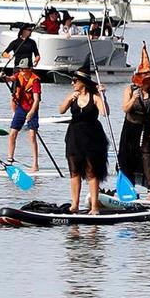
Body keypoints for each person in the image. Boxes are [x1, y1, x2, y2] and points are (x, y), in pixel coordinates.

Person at [60, 61, 109, 214]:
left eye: (75, 81)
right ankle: (74, 204)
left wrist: (103, 96)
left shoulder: (94, 97)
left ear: (83, 83)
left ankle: (94, 206)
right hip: (74, 136)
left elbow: (105, 113)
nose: (72, 83)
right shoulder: (72, 96)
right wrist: (69, 100)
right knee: (74, 171)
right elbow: (61, 110)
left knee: (91, 171)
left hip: (92, 137)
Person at [119, 52, 150, 199]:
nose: (148, 82)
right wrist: (133, 99)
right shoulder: (130, 90)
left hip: (146, 127)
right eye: (146, 79)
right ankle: (129, 188)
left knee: (148, 156)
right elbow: (125, 108)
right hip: (130, 127)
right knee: (128, 157)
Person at [6, 58, 41, 173]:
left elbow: (36, 100)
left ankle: (35, 164)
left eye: (24, 69)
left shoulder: (35, 80)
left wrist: (31, 112)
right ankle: (9, 160)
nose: (22, 71)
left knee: (32, 136)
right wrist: (3, 76)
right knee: (12, 134)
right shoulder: (19, 75)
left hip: (32, 108)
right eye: (21, 69)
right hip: (21, 108)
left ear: (30, 69)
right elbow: (10, 78)